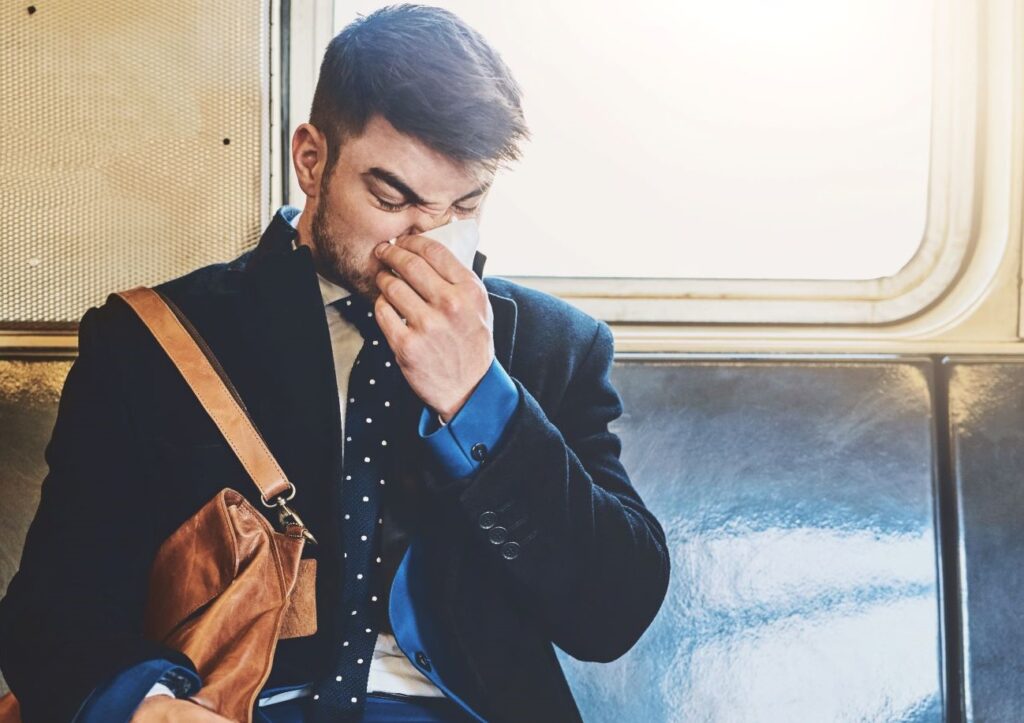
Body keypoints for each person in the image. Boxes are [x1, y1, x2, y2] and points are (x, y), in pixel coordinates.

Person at [0, 4, 670, 722]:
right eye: (393, 198)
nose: (430, 240)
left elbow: (612, 614)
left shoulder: (552, 345)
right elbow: (50, 611)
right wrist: (147, 706)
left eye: (465, 205)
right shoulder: (151, 342)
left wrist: (479, 400)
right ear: (311, 161)